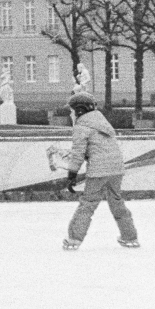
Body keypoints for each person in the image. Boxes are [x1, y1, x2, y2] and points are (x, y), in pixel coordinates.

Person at [60, 91, 138, 250]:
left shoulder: (81, 126)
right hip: (116, 168)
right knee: (116, 201)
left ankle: (74, 239)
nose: (70, 114)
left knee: (88, 203)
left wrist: (71, 175)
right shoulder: (102, 122)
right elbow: (99, 147)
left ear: (80, 110)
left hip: (99, 170)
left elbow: (78, 153)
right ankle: (130, 237)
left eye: (72, 110)